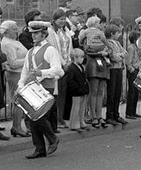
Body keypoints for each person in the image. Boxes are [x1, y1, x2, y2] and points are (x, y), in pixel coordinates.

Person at [18, 21, 64, 159]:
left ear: (44, 34)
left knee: (40, 116)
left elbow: (58, 70)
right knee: (32, 117)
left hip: (45, 86)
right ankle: (39, 148)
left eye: (36, 33)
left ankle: (52, 138)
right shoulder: (30, 51)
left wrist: (42, 73)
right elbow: (25, 71)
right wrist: (20, 86)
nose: (33, 36)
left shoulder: (50, 49)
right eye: (32, 33)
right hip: (32, 88)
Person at [80, 15, 110, 129]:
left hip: (100, 63)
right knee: (95, 91)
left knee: (99, 91)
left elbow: (107, 46)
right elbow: (86, 49)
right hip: (93, 63)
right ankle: (94, 116)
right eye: (98, 23)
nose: (100, 25)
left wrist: (106, 52)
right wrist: (102, 52)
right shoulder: (88, 33)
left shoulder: (88, 33)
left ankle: (98, 116)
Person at [0, 20, 29, 136]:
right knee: (18, 101)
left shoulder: (14, 41)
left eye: (16, 27)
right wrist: (27, 59)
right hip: (15, 74)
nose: (16, 30)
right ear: (6, 31)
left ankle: (17, 126)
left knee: (21, 101)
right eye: (14, 28)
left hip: (21, 73)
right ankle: (17, 127)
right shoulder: (7, 43)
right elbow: (12, 63)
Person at [105, 24, 128, 126]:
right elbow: (113, 57)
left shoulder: (118, 43)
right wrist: (120, 56)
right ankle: (109, 115)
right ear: (112, 34)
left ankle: (116, 113)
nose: (119, 34)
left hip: (119, 68)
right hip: (112, 69)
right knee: (112, 92)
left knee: (118, 92)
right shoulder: (108, 43)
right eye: (117, 32)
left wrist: (120, 55)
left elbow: (125, 53)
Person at [63, 48, 89, 132]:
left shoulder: (81, 67)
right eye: (81, 57)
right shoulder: (72, 68)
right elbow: (69, 80)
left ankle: (81, 121)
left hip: (82, 90)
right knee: (76, 107)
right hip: (76, 91)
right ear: (75, 57)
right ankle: (74, 124)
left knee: (82, 107)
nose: (82, 59)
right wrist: (76, 88)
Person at [125, 31, 141, 119]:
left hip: (137, 69)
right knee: (131, 92)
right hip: (133, 70)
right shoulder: (131, 48)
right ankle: (129, 112)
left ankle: (133, 111)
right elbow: (129, 61)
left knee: (135, 92)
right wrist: (132, 70)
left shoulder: (136, 47)